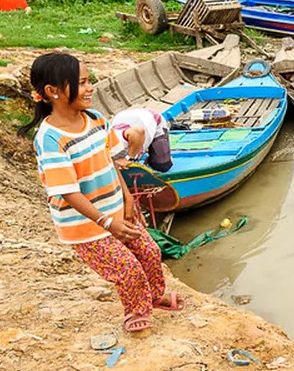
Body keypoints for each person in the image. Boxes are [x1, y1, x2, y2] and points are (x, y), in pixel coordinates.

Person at [22, 53, 182, 333]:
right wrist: (107, 223)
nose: (90, 88)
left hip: (115, 211)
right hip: (85, 225)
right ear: (52, 91)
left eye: (89, 81)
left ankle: (155, 296)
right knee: (127, 269)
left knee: (149, 251)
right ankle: (135, 312)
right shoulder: (50, 139)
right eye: (82, 82)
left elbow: (111, 162)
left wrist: (127, 198)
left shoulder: (95, 120)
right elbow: (68, 192)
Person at [110, 106, 172, 172]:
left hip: (152, 119)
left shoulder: (117, 140)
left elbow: (138, 131)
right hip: (130, 118)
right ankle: (144, 150)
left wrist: (127, 158)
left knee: (162, 166)